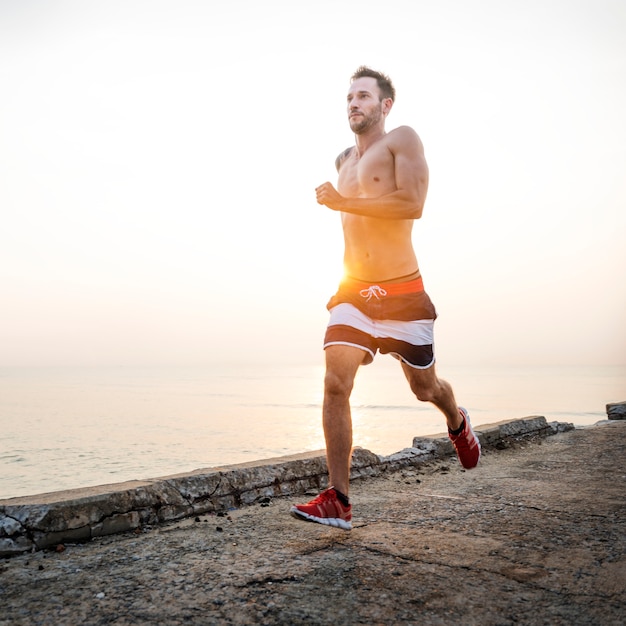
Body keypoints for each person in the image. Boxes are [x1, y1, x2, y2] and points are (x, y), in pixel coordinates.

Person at [290, 66, 481, 531]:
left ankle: (456, 420)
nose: (354, 103)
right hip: (354, 289)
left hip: (402, 293)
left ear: (385, 105)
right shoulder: (342, 160)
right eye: (349, 97)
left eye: (363, 97)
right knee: (335, 380)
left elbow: (412, 203)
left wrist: (343, 202)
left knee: (424, 389)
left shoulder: (403, 139)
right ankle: (339, 500)